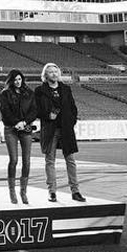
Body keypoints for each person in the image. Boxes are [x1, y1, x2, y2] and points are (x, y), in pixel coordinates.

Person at [35, 63, 85, 203]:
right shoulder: (40, 90)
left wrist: (71, 122)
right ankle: (52, 192)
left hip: (65, 130)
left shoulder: (66, 89)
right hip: (50, 130)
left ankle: (75, 191)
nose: (54, 74)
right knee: (50, 161)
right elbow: (36, 110)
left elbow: (73, 109)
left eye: (55, 71)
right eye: (50, 72)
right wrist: (46, 115)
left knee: (71, 160)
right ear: (45, 75)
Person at [0, 69, 38, 205]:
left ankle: (23, 191)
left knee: (26, 161)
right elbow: (5, 112)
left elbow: (34, 111)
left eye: (19, 79)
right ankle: (12, 191)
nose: (17, 82)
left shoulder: (29, 93)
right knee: (14, 159)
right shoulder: (5, 94)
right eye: (15, 79)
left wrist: (24, 122)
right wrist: (16, 123)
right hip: (11, 129)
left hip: (26, 129)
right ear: (11, 80)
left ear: (23, 79)